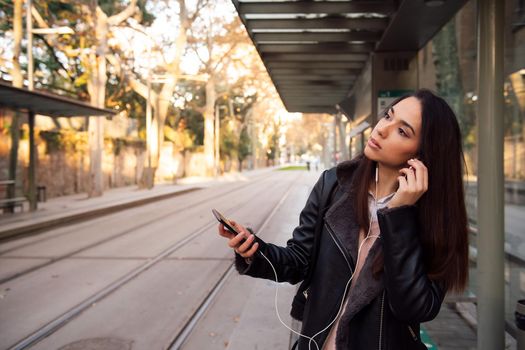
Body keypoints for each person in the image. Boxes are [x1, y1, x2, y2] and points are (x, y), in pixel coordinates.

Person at [218, 89, 469, 350]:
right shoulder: (334, 186)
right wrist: (254, 251)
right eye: (387, 116)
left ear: (423, 155)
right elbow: (299, 261)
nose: (382, 129)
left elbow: (415, 308)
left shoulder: (437, 221)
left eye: (402, 131)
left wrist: (400, 216)